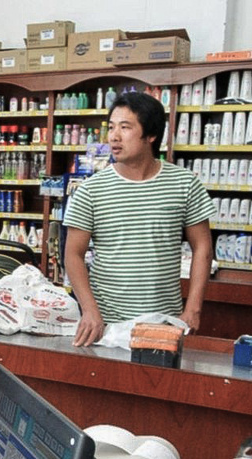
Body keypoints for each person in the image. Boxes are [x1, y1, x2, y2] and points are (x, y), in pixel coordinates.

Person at [64, 92, 215, 347]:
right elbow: (73, 255)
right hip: (107, 326)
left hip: (165, 324)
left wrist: (193, 309)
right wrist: (89, 311)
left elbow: (203, 248)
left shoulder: (184, 183)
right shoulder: (91, 189)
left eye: (125, 127)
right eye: (111, 127)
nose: (114, 136)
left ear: (151, 135)